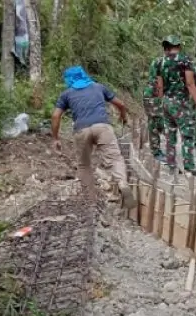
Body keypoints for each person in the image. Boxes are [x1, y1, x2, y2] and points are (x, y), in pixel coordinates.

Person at [51, 66, 136, 209]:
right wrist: (123, 116)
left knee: (84, 165)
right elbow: (121, 104)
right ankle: (123, 183)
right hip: (103, 127)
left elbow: (55, 116)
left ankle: (90, 202)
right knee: (114, 158)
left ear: (68, 79)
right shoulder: (98, 87)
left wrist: (55, 138)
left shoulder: (66, 94)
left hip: (81, 130)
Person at [157, 35, 196, 176]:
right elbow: (190, 84)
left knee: (170, 135)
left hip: (166, 101)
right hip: (181, 103)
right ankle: (189, 167)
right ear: (178, 46)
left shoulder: (161, 62)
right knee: (187, 135)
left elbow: (159, 86)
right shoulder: (185, 60)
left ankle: (172, 165)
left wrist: (163, 101)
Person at [143, 49, 166, 161]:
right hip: (154, 95)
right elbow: (159, 82)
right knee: (157, 122)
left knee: (154, 122)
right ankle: (156, 151)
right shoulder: (162, 62)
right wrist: (161, 99)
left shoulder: (157, 61)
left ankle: (156, 150)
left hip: (150, 93)